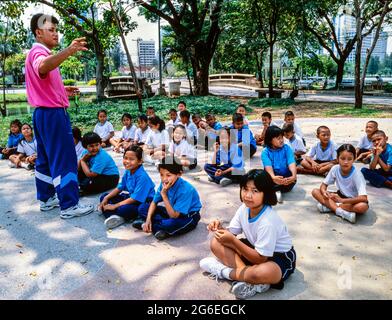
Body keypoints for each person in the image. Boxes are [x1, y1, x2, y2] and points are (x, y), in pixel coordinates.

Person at [25, 13, 93, 217]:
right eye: (50, 30)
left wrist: (62, 90)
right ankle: (70, 205)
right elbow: (43, 67)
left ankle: (46, 199)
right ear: (38, 32)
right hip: (53, 115)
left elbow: (42, 81)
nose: (55, 34)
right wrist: (70, 50)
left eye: (56, 30)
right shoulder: (40, 52)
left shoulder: (38, 53)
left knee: (45, 158)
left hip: (42, 114)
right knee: (64, 157)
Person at [199, 169, 296, 300]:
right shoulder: (244, 209)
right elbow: (230, 233)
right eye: (245, 189)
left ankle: (224, 272)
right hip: (255, 247)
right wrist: (219, 228)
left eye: (255, 191)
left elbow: (260, 259)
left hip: (279, 256)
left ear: (266, 193)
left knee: (265, 272)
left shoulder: (268, 221)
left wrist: (233, 242)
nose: (248, 195)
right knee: (216, 241)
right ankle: (249, 279)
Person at [132, 156, 202, 241]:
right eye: (161, 175)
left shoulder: (186, 190)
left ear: (179, 174)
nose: (164, 179)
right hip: (171, 210)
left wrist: (164, 195)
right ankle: (155, 227)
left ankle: (155, 227)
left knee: (170, 224)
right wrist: (148, 219)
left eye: (168, 175)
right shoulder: (164, 184)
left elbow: (174, 216)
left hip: (188, 216)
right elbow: (154, 202)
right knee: (142, 208)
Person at [98, 145, 155, 229]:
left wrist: (115, 205)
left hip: (143, 202)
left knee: (124, 209)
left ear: (140, 161)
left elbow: (135, 199)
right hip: (131, 197)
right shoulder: (128, 171)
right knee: (103, 197)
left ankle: (118, 216)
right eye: (125, 158)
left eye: (131, 159)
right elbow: (120, 188)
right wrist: (106, 198)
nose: (127, 161)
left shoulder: (142, 177)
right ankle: (116, 216)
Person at [312, 144, 369, 224]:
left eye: (349, 159)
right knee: (315, 191)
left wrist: (342, 200)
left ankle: (331, 207)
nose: (346, 162)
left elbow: (363, 198)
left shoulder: (357, 174)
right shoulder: (335, 168)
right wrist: (325, 192)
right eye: (342, 158)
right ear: (337, 158)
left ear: (354, 159)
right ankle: (341, 212)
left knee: (362, 207)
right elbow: (323, 185)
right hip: (340, 196)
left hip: (354, 200)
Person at [261, 126, 297, 203]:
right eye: (278, 138)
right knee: (263, 177)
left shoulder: (287, 148)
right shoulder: (265, 152)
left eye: (282, 138)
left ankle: (276, 189)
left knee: (292, 181)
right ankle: (276, 190)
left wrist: (293, 176)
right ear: (270, 140)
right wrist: (273, 177)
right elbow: (268, 167)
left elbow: (291, 162)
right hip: (273, 177)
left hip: (285, 177)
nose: (281, 140)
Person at [78, 132, 119, 196]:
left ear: (100, 144)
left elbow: (91, 175)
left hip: (110, 178)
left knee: (87, 184)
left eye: (97, 145)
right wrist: (81, 160)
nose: (95, 148)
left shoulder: (101, 155)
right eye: (91, 146)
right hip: (98, 174)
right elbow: (78, 168)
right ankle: (82, 185)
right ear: (85, 147)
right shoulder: (85, 152)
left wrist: (83, 161)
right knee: (78, 174)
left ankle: (84, 188)